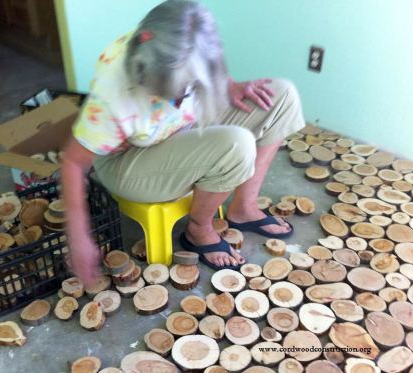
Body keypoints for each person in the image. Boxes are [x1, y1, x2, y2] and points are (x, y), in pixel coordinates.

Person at [61, 0, 305, 286]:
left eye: (188, 88)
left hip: (175, 129)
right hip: (129, 161)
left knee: (282, 95)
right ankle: (199, 229)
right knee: (236, 145)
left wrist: (229, 86)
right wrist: (78, 235)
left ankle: (243, 208)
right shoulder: (115, 90)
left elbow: (210, 66)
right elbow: (72, 162)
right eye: (171, 94)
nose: (179, 100)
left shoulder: (188, 40)